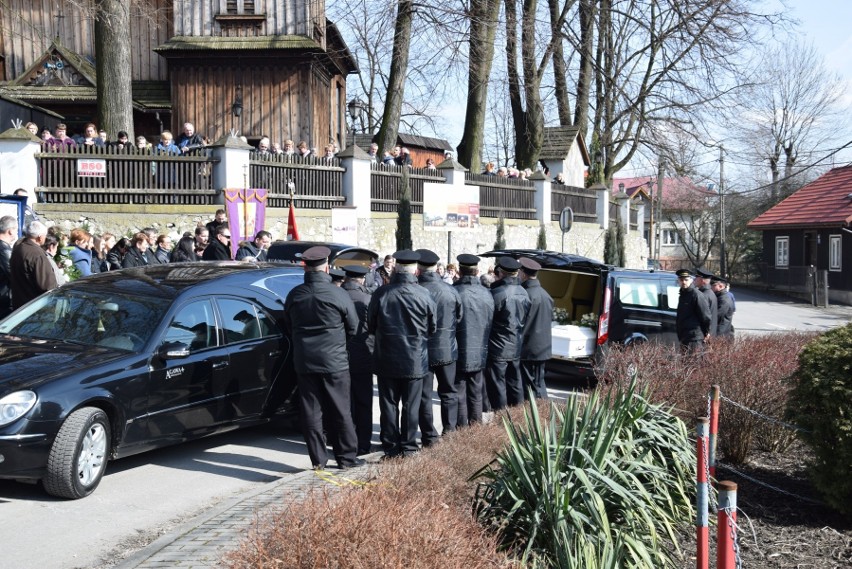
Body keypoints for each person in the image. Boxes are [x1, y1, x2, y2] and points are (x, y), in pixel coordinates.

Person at [283, 245, 363, 470]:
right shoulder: (338, 293)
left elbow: (289, 326)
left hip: (305, 362)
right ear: (327, 267)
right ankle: (346, 458)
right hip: (334, 361)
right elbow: (353, 327)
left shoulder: (295, 294)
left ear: (305, 268)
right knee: (340, 409)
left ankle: (318, 460)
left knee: (311, 412)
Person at [367, 250, 436, 459]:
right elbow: (432, 327)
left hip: (387, 356)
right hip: (414, 358)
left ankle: (391, 447)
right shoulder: (424, 294)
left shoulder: (382, 293)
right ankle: (408, 446)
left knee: (388, 404)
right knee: (410, 404)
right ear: (415, 270)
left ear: (396, 268)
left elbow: (371, 325)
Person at [416, 249, 463, 437]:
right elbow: (459, 317)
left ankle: (429, 435)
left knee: (424, 396)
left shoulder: (416, 290)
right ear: (436, 268)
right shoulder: (450, 290)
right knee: (449, 392)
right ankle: (449, 432)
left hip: (422, 350)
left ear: (418, 269)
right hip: (446, 349)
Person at [485, 256, 531, 410]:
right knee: (515, 383)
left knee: (498, 386)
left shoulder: (497, 293)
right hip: (515, 343)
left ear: (502, 273)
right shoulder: (524, 292)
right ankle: (518, 415)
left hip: (498, 346)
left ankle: (501, 418)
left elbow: (488, 320)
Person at [453, 254, 493, 426]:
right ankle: (475, 429)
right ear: (477, 271)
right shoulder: (487, 294)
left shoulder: (454, 291)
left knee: (460, 393)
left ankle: (463, 430)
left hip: (458, 348)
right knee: (476, 392)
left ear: (460, 271)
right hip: (479, 349)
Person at [341, 264, 375, 455]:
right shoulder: (367, 299)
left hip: (340, 354)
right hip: (363, 353)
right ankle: (363, 443)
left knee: (345, 401)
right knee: (363, 401)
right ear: (361, 279)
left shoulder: (338, 295)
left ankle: (346, 441)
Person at [518, 257, 553, 400]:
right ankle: (542, 415)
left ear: (524, 274)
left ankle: (539, 417)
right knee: (538, 383)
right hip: (542, 348)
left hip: (528, 349)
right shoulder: (546, 295)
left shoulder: (526, 295)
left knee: (532, 388)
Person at [10, 221, 58, 309]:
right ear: (40, 237)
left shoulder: (18, 246)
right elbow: (47, 286)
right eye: (45, 235)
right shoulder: (37, 254)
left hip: (19, 304)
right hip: (33, 308)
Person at [675, 268, 711, 353]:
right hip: (684, 336)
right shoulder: (683, 294)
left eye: (686, 280)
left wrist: (706, 332)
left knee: (693, 364)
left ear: (691, 280)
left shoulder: (696, 295)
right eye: (681, 279)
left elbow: (705, 316)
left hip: (694, 338)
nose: (683, 282)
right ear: (678, 281)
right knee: (685, 364)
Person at [0, 215, 18, 318]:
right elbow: (13, 272)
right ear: (10, 231)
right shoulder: (4, 250)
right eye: (16, 230)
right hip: (4, 299)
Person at [695, 268, 718, 337]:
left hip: (703, 334)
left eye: (696, 277)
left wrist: (707, 332)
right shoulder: (709, 292)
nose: (694, 279)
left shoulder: (704, 295)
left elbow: (705, 317)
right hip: (708, 333)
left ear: (702, 280)